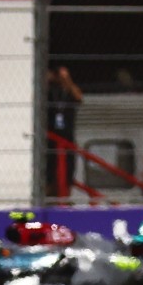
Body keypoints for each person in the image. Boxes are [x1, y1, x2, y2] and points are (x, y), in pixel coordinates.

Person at [44, 65, 84, 196]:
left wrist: (67, 80)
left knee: (68, 168)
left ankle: (66, 194)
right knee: (49, 168)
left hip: (67, 136)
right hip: (50, 138)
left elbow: (79, 97)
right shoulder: (50, 91)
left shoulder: (69, 92)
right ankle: (48, 192)